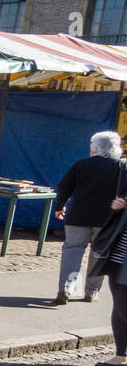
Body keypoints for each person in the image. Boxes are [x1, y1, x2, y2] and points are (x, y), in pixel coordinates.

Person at [52, 131, 126, 305]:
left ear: (95, 147)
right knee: (99, 254)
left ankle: (67, 289)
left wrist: (59, 207)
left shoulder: (82, 164)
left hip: (77, 216)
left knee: (72, 251)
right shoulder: (121, 168)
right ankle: (91, 292)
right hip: (106, 219)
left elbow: (64, 187)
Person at [87, 192, 127, 366]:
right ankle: (121, 356)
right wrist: (116, 207)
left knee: (123, 308)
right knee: (120, 308)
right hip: (119, 259)